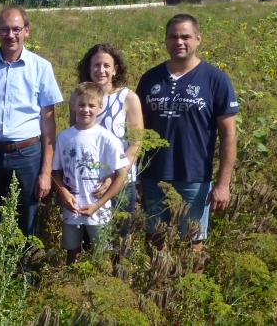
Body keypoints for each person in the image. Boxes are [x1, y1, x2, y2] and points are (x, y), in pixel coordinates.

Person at [0, 5, 63, 249]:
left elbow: (48, 123)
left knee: (27, 215)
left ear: (27, 31)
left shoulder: (41, 68)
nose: (11, 35)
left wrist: (46, 172)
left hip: (27, 154)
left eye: (17, 29)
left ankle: (23, 273)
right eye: (5, 29)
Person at [136, 13, 238, 251]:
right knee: (154, 240)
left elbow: (229, 136)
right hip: (154, 176)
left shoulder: (216, 79)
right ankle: (157, 287)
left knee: (194, 243)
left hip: (194, 177)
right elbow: (137, 130)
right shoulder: (150, 78)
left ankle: (190, 289)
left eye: (186, 37)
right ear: (166, 40)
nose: (179, 42)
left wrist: (223, 184)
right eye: (173, 37)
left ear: (198, 39)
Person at [52, 83, 129, 264]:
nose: (85, 110)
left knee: (101, 256)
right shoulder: (64, 137)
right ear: (73, 106)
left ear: (100, 107)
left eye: (91, 106)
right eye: (81, 105)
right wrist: (63, 192)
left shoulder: (107, 138)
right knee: (72, 254)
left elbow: (121, 175)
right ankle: (71, 288)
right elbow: (55, 172)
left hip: (99, 211)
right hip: (72, 208)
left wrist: (99, 204)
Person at [75, 44, 143, 237]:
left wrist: (114, 176)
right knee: (91, 241)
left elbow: (136, 143)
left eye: (106, 65)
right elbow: (75, 136)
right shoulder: (80, 97)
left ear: (115, 69)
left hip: (121, 182)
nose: (101, 70)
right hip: (88, 182)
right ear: (88, 68)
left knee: (118, 239)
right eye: (96, 65)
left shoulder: (127, 98)